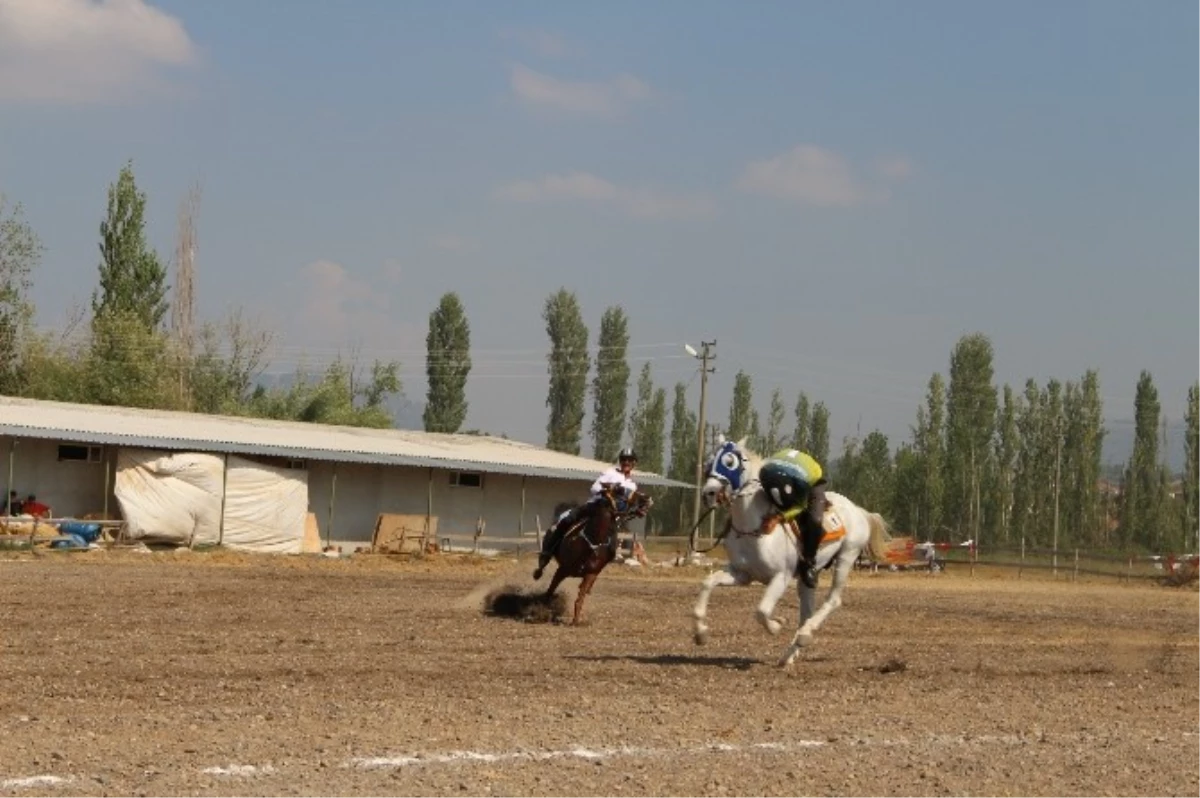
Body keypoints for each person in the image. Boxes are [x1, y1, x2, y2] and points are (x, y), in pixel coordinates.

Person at [533, 447, 641, 580]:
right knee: (567, 520)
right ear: (620, 461)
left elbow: (627, 505)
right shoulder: (610, 472)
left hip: (611, 517)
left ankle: (596, 567)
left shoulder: (633, 486)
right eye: (624, 460)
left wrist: (637, 510)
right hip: (593, 508)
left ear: (634, 463)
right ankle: (547, 552)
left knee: (612, 547)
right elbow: (594, 488)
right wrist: (609, 488)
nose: (626, 463)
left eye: (629, 460)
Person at [758, 448, 827, 589]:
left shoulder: (803, 483)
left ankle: (809, 563)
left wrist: (779, 517)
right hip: (784, 471)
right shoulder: (764, 473)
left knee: (814, 521)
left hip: (812, 480)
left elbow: (801, 506)